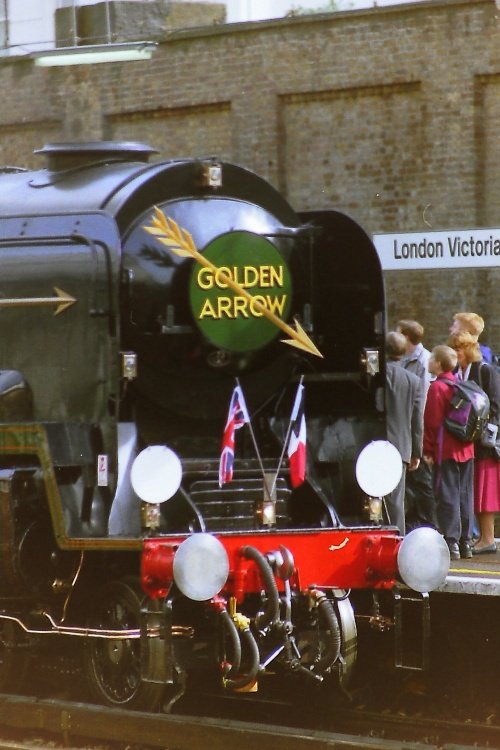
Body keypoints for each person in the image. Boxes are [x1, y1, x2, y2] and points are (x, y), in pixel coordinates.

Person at [449, 330, 499, 555]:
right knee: (476, 490)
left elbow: (496, 404)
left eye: (458, 349)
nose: (455, 353)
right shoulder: (457, 371)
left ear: (467, 350)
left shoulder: (485, 370)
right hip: (467, 442)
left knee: (485, 491)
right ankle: (481, 537)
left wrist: (482, 428)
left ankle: (488, 538)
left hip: (485, 444)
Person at [423, 344, 474, 560]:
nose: (429, 361)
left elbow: (432, 422)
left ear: (438, 363)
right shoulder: (461, 385)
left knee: (448, 494)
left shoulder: (437, 388)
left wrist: (427, 450)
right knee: (465, 494)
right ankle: (466, 542)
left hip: (447, 450)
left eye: (432, 358)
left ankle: (451, 542)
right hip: (467, 448)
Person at [396, 319, 437, 531]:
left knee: (422, 481)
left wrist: (417, 443)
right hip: (406, 427)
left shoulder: (423, 362)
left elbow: (420, 403)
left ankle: (428, 524)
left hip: (417, 430)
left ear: (407, 337)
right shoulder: (404, 358)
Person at [385, 332, 423, 535]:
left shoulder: (376, 375)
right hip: (401, 446)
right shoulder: (414, 381)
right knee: (396, 501)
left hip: (372, 444)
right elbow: (417, 420)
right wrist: (417, 451)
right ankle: (396, 542)